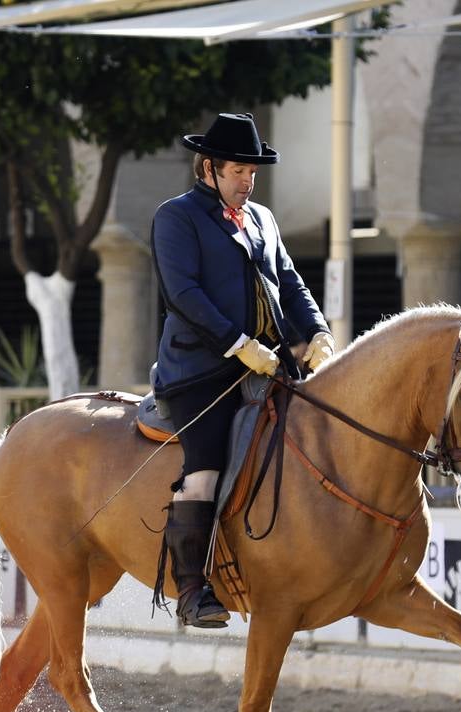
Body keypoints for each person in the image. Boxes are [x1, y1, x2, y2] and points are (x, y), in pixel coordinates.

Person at [150, 112, 333, 629]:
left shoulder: (263, 219)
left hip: (269, 365)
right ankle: (191, 589)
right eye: (238, 172)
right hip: (200, 372)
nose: (248, 183)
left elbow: (290, 281)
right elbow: (183, 294)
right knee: (204, 468)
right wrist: (239, 345)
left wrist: (317, 331)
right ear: (208, 168)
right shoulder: (176, 217)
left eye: (253, 173)